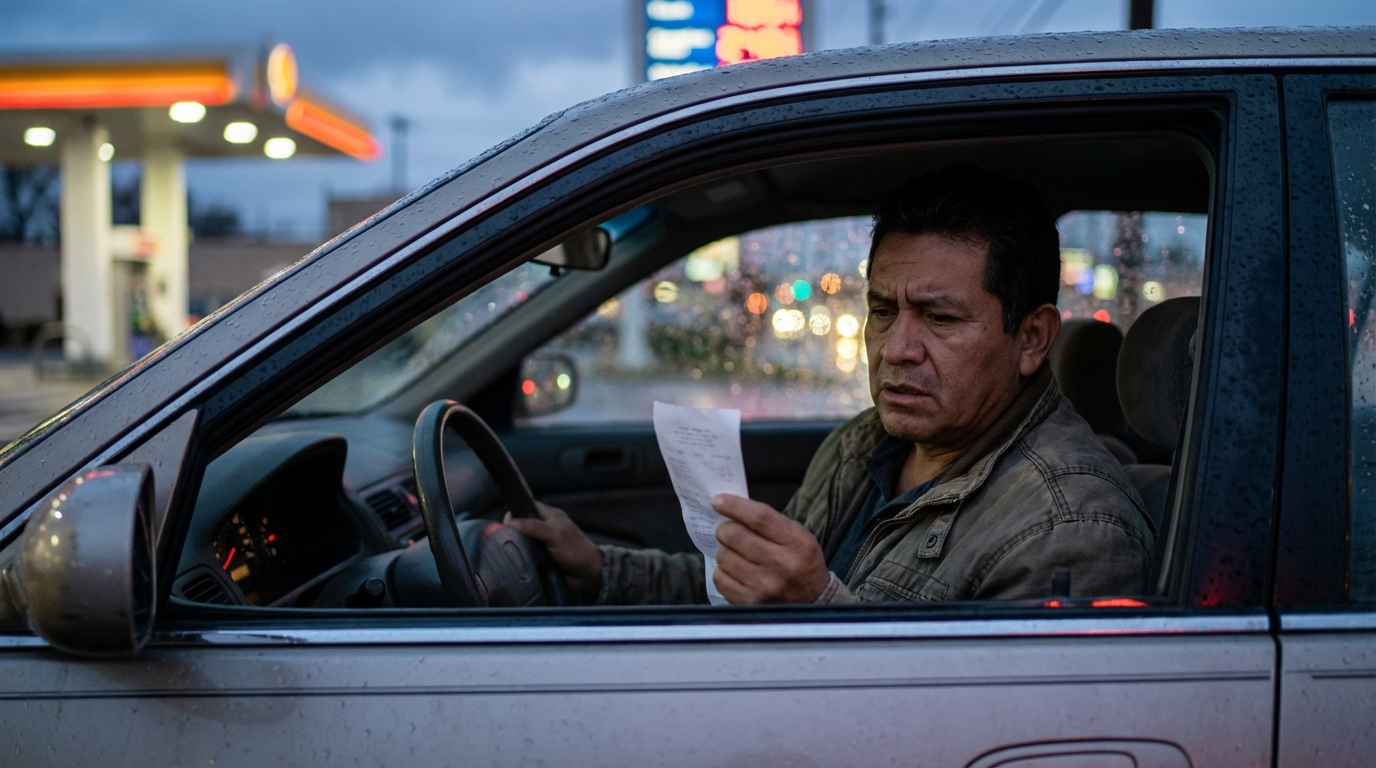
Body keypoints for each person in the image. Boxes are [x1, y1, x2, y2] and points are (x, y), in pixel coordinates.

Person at [509, 166, 1155, 604]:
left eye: (939, 317)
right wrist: (598, 567)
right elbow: (745, 583)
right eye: (882, 310)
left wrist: (819, 607)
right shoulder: (868, 443)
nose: (896, 349)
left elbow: (984, 737)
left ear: (1034, 339)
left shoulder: (1071, 528)